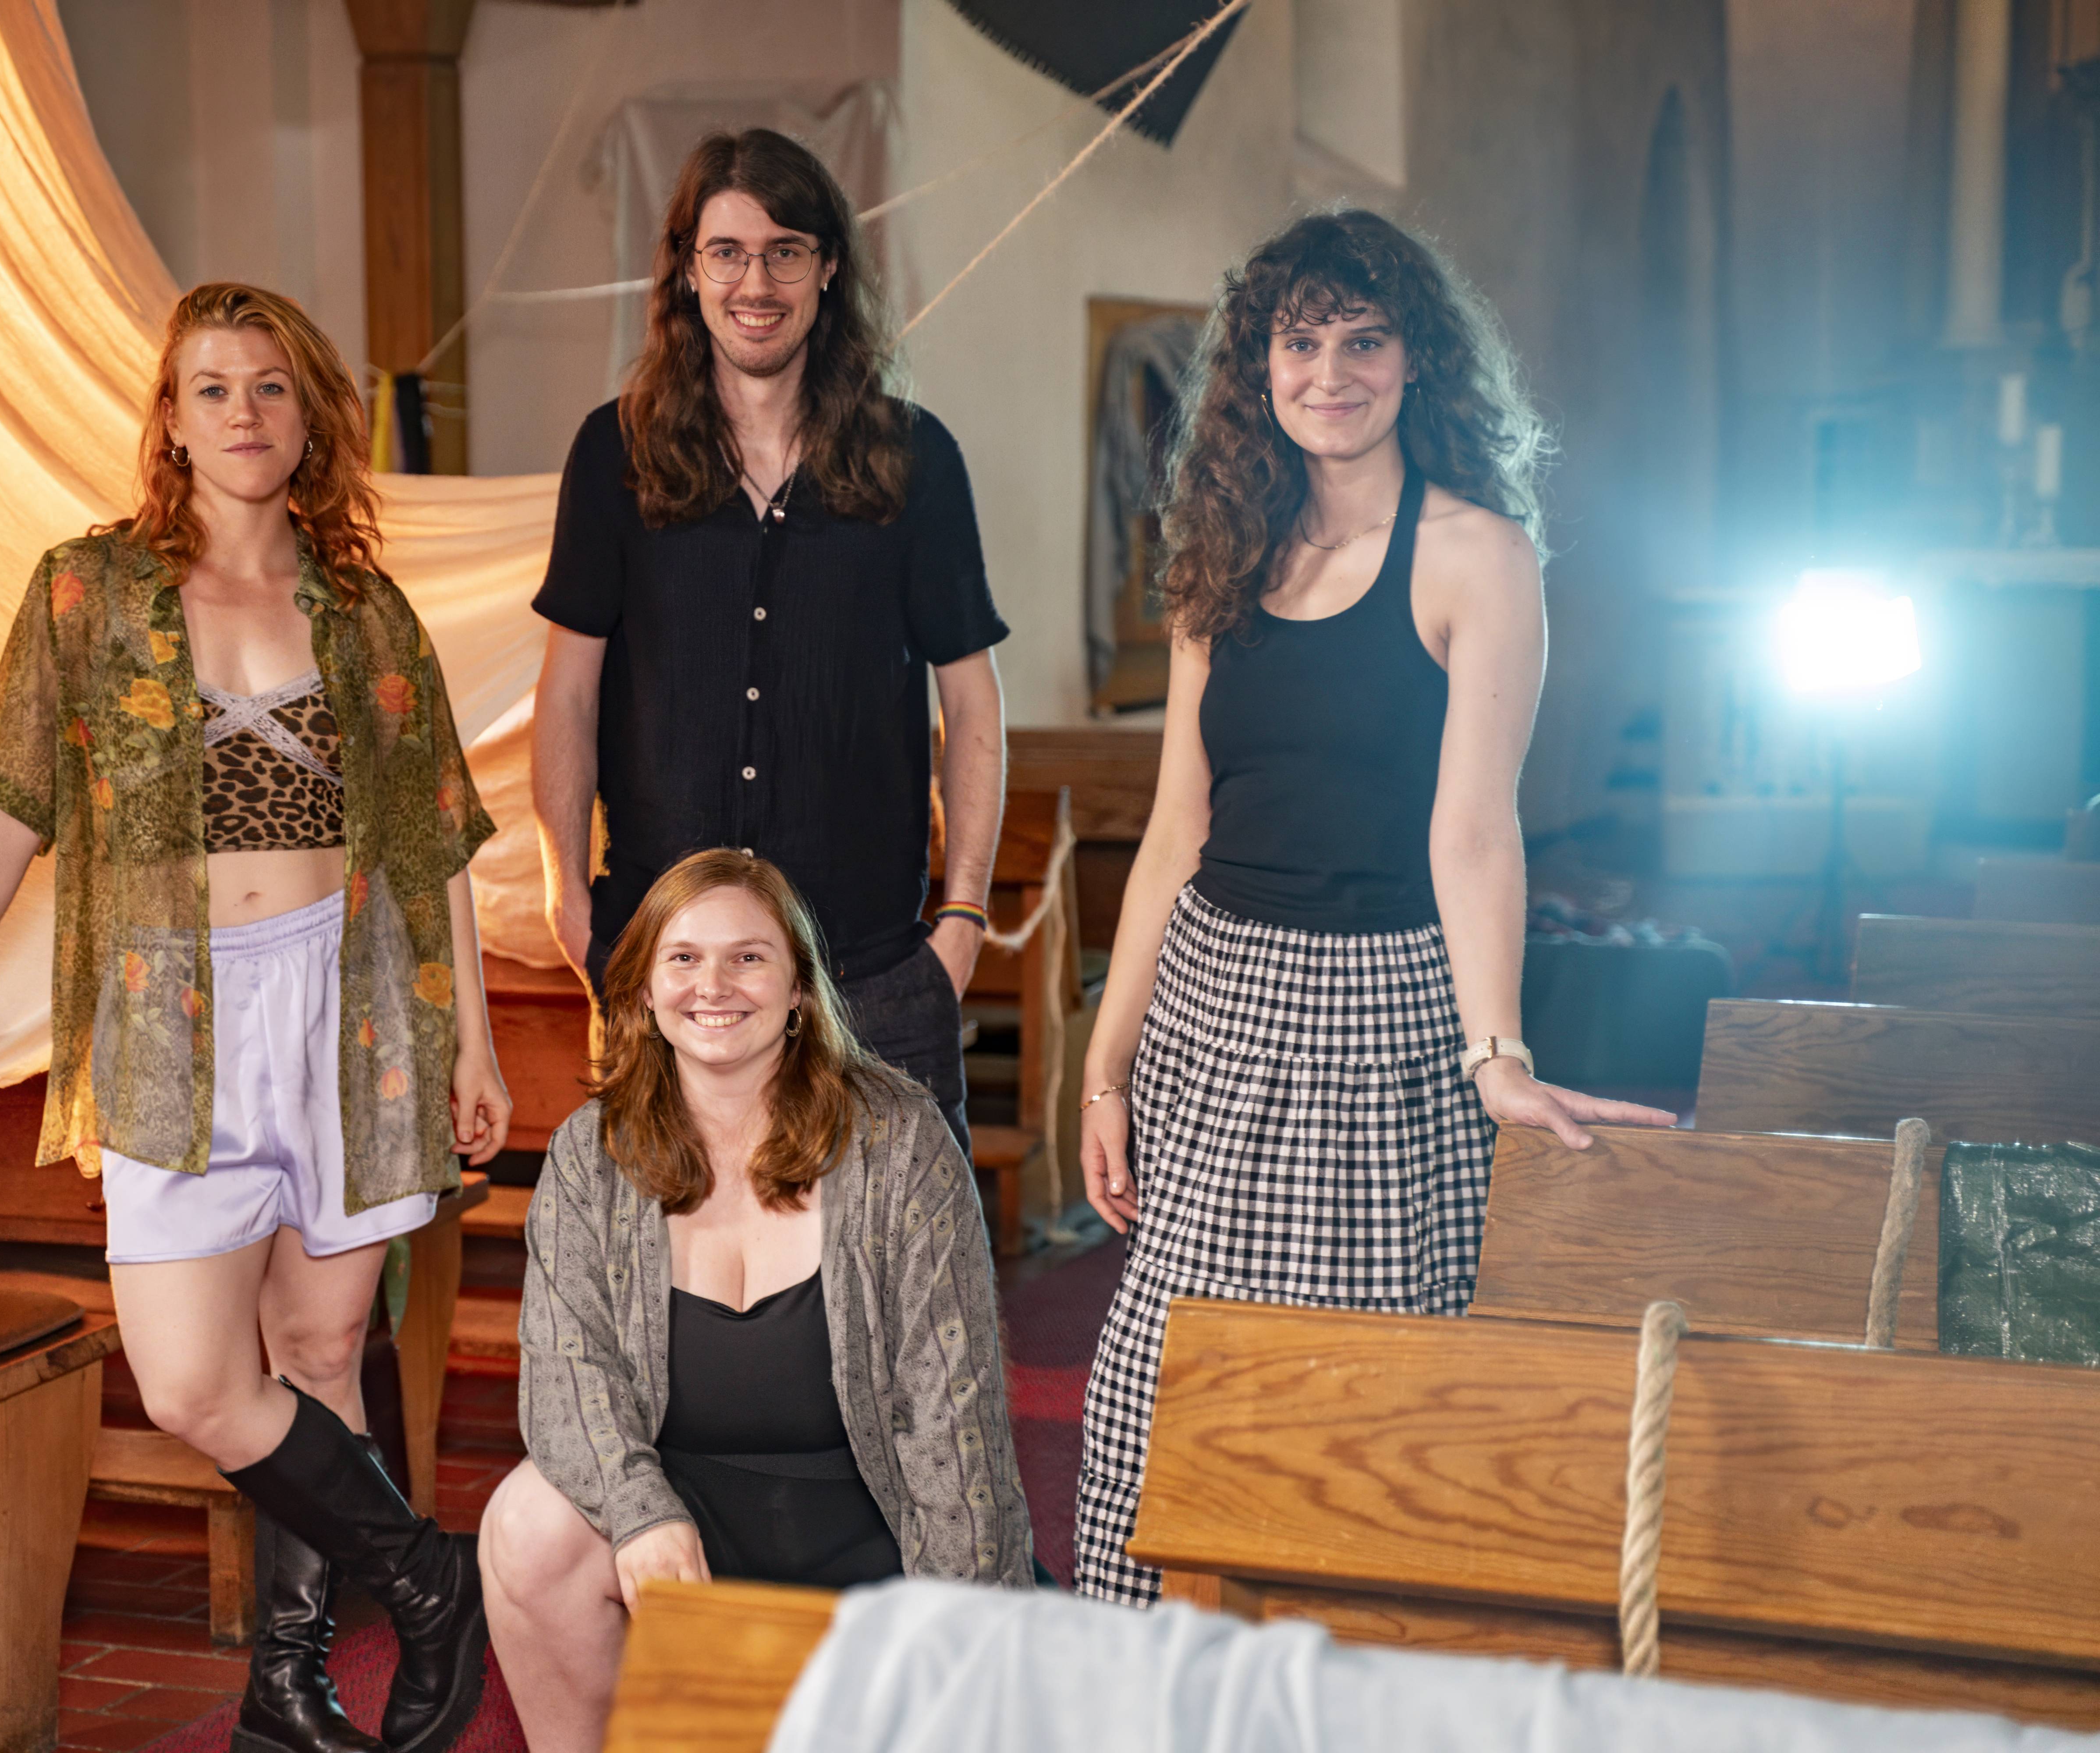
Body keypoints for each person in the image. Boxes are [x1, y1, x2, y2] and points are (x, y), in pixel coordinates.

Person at [0, 283, 508, 1753]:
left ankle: (289, 1690)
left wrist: (479, 1046)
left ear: (311, 419)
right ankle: (432, 1580)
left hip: (357, 1011)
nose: (245, 413)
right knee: (192, 1382)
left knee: (322, 1358)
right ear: (171, 421)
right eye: (213, 389)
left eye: (272, 387)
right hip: (172, 1017)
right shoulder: (90, 591)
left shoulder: (366, 609)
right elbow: (8, 801)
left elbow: (436, 836)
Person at [1068, 212, 1677, 1607]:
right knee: (1161, 1397)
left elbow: (1476, 831)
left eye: (1364, 341)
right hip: (1216, 1007)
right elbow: (1177, 829)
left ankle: (1358, 1681)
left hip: (1381, 1011)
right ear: (1259, 366)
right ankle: (1152, 1679)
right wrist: (1106, 1069)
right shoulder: (1222, 549)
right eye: (1300, 343)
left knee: (1367, 1395)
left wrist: (1498, 1055)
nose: (1330, 373)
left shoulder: (1478, 556)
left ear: (1417, 363)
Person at [477, 849, 1031, 1753]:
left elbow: (954, 1416)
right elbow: (568, 1379)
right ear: (644, 990)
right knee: (528, 1518)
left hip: (878, 1535)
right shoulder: (593, 1153)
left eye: (748, 957)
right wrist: (642, 1513)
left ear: (800, 989)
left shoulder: (899, 1143)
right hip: (684, 1535)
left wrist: (957, 1629)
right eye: (684, 958)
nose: (714, 986)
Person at [530, 128, 1008, 1159]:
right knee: (663, 1257)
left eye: (786, 250)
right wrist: (568, 900)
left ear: (828, 268)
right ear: (689, 271)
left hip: (871, 973)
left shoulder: (914, 457)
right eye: (729, 252)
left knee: (908, 1263)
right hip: (667, 975)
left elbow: (972, 698)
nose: (757, 282)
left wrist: (962, 917)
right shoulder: (613, 453)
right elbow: (568, 694)